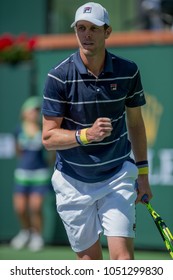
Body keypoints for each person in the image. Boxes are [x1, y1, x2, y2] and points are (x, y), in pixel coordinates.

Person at [42, 2, 153, 260]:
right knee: (89, 264)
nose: (86, 34)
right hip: (72, 181)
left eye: (93, 28)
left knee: (123, 260)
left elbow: (135, 124)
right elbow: (48, 137)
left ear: (108, 32)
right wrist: (85, 135)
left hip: (116, 176)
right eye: (81, 28)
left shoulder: (128, 71)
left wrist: (143, 174)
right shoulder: (58, 76)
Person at [10, 96, 52, 251]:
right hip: (22, 174)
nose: (35, 113)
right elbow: (18, 151)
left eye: (37, 110)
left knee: (35, 207)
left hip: (40, 174)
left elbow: (51, 153)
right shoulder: (18, 130)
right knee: (20, 208)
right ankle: (25, 232)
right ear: (25, 113)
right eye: (32, 110)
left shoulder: (43, 130)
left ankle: (37, 235)